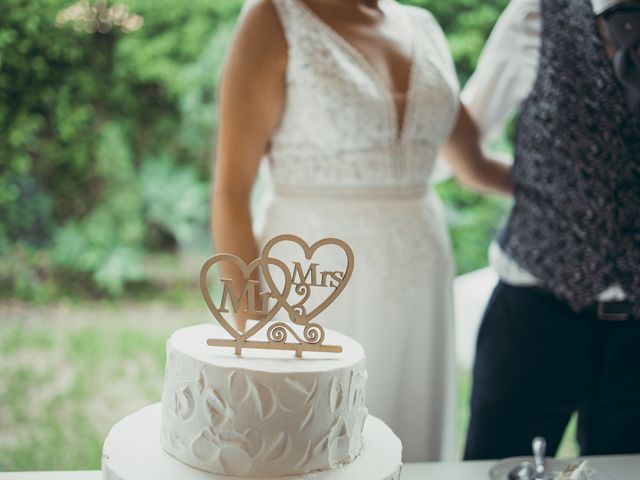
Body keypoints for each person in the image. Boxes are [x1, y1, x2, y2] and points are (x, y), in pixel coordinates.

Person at [211, 0, 511, 461]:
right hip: (310, 284)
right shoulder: (274, 17)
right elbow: (231, 193)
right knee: (310, 445)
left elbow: (475, 166)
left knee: (411, 444)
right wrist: (253, 331)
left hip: (420, 282)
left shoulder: (424, 27)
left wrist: (586, 187)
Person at [462, 0, 640, 459]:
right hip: (534, 315)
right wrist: (540, 188)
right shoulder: (535, 15)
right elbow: (464, 136)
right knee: (497, 466)